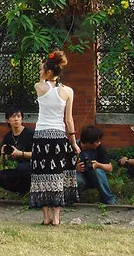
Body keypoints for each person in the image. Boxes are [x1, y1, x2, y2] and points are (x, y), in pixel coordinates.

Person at [29, 50, 80, 226]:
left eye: (42, 69)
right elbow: (68, 120)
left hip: (41, 135)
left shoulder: (39, 87)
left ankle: (45, 217)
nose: (39, 72)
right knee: (58, 175)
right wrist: (73, 142)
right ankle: (57, 217)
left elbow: (43, 82)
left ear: (49, 72)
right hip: (59, 136)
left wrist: (45, 74)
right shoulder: (68, 91)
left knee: (41, 174)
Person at [0, 106, 34, 194]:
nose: (16, 119)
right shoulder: (7, 137)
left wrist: (21, 154)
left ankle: (31, 190)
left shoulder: (30, 134)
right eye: (13, 117)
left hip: (36, 167)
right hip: (21, 169)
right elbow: (3, 163)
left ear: (22, 119)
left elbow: (39, 154)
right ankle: (23, 190)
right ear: (8, 120)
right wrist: (3, 154)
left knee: (21, 167)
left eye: (18, 116)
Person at [76, 125, 116, 204]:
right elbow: (61, 167)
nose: (99, 143)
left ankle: (108, 200)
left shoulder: (99, 148)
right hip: (79, 176)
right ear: (88, 142)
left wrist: (98, 165)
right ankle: (75, 200)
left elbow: (110, 168)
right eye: (97, 142)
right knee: (77, 178)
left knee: (98, 171)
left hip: (93, 177)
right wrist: (75, 168)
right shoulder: (74, 147)